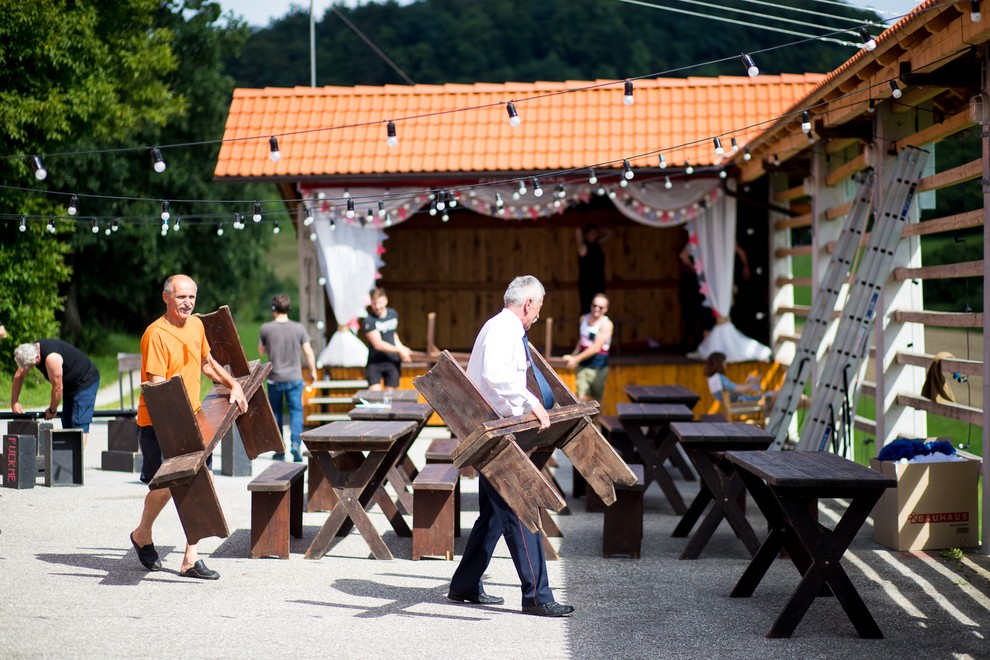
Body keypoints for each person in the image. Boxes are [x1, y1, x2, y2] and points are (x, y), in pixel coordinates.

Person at [447, 275, 574, 618]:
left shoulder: (502, 327)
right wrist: (531, 403)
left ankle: (465, 584)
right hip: (495, 434)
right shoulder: (504, 329)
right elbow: (496, 376)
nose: (538, 315)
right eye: (539, 308)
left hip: (496, 430)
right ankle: (536, 595)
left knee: (493, 514)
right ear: (528, 304)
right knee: (521, 508)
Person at [129, 274, 248, 580]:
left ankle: (191, 558)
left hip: (193, 419)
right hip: (159, 423)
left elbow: (206, 363)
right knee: (165, 487)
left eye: (192, 297)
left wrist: (233, 384)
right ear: (166, 297)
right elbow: (156, 388)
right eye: (182, 297)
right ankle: (142, 533)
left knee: (198, 482)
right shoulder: (155, 334)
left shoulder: (196, 325)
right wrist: (177, 424)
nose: (188, 303)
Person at [259, 293, 318, 462]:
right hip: (294, 378)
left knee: (276, 413)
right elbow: (308, 351)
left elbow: (261, 351)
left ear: (273, 309)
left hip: (274, 378)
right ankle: (295, 445)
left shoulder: (266, 328)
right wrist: (313, 370)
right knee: (296, 411)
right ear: (288, 308)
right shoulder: (298, 328)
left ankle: (279, 449)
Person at [11, 339, 101, 447]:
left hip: (85, 380)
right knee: (67, 425)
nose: (30, 368)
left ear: (37, 358)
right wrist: (14, 402)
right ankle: (67, 461)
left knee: (78, 426)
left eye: (31, 365)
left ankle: (74, 461)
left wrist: (52, 409)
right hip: (70, 384)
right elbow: (19, 376)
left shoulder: (51, 358)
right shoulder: (30, 351)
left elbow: (58, 388)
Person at [563, 293, 613, 403]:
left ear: (605, 309)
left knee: (597, 400)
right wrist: (573, 355)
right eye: (594, 305)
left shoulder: (606, 324)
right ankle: (585, 421)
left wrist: (575, 359)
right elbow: (581, 340)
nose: (596, 309)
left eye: (600, 307)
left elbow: (596, 348)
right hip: (583, 363)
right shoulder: (583, 318)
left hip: (598, 365)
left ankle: (599, 421)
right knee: (581, 398)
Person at [362, 287, 411, 390]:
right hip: (375, 361)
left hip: (392, 360)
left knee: (391, 397)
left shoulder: (392, 314)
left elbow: (393, 334)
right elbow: (378, 344)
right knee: (374, 397)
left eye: (379, 303)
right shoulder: (369, 321)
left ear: (385, 300)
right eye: (374, 303)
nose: (377, 306)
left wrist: (402, 348)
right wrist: (400, 350)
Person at [575, 224, 610, 315]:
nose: (595, 234)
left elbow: (610, 233)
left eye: (595, 232)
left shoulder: (597, 244)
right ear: (587, 234)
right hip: (587, 282)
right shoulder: (583, 248)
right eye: (592, 232)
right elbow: (578, 231)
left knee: (600, 301)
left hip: (599, 280)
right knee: (587, 305)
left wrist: (598, 228)